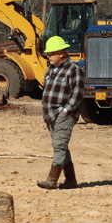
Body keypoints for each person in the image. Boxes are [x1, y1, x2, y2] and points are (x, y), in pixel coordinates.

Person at [37, 36, 84, 190]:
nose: (48, 56)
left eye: (51, 53)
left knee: (59, 146)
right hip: (49, 115)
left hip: (64, 114)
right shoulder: (50, 69)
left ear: (62, 53)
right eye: (48, 54)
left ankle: (52, 180)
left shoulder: (74, 69)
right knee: (61, 146)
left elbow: (77, 93)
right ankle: (71, 180)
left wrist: (66, 111)